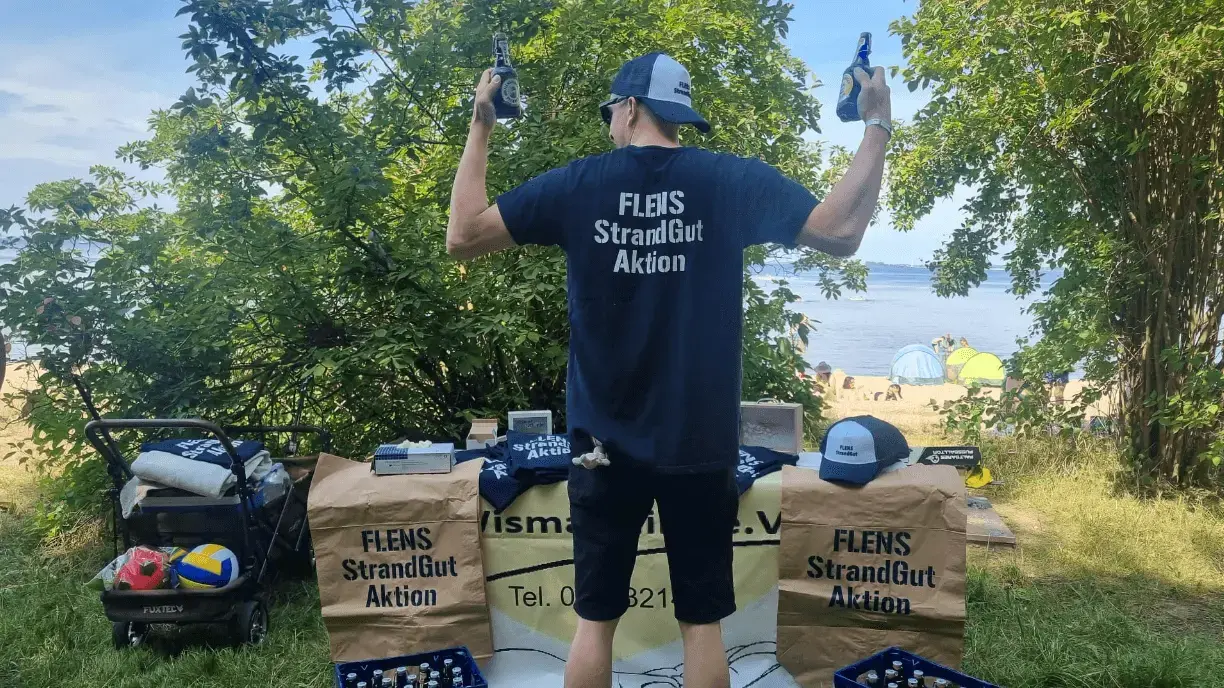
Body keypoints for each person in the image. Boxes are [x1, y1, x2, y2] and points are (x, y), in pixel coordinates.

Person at [446, 51, 891, 688]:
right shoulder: (727, 182)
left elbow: (463, 234)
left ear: (629, 109)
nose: (609, 122)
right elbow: (841, 232)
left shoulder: (579, 185)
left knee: (595, 620)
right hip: (700, 441)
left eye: (610, 111)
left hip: (601, 443)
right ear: (675, 114)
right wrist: (877, 126)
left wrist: (482, 122)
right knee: (701, 623)